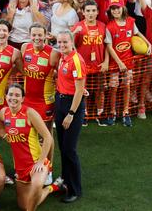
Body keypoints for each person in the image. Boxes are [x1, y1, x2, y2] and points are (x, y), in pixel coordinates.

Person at [0, 83, 56, 210]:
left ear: (23, 99)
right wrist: (4, 135)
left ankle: (46, 179)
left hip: (36, 162)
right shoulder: (4, 113)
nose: (13, 98)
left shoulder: (30, 113)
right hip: (19, 167)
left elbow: (48, 137)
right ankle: (51, 188)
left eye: (17, 95)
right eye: (11, 94)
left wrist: (41, 161)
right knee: (24, 205)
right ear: (5, 96)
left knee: (35, 189)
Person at [54, 31, 87, 203]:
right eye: (59, 42)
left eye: (65, 42)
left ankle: (75, 189)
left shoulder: (76, 60)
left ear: (72, 42)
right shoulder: (62, 57)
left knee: (70, 149)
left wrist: (71, 114)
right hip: (60, 102)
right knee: (63, 147)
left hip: (71, 107)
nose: (62, 45)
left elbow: (80, 90)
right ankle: (66, 182)